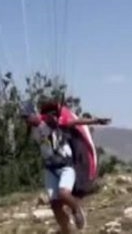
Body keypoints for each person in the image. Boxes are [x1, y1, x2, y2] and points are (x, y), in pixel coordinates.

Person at [25, 100, 110, 233]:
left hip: (65, 166)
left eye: (27, 116)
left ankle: (77, 210)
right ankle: (66, 230)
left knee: (64, 194)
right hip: (50, 169)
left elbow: (75, 122)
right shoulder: (33, 131)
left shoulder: (54, 123)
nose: (26, 120)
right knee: (55, 205)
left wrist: (96, 121)